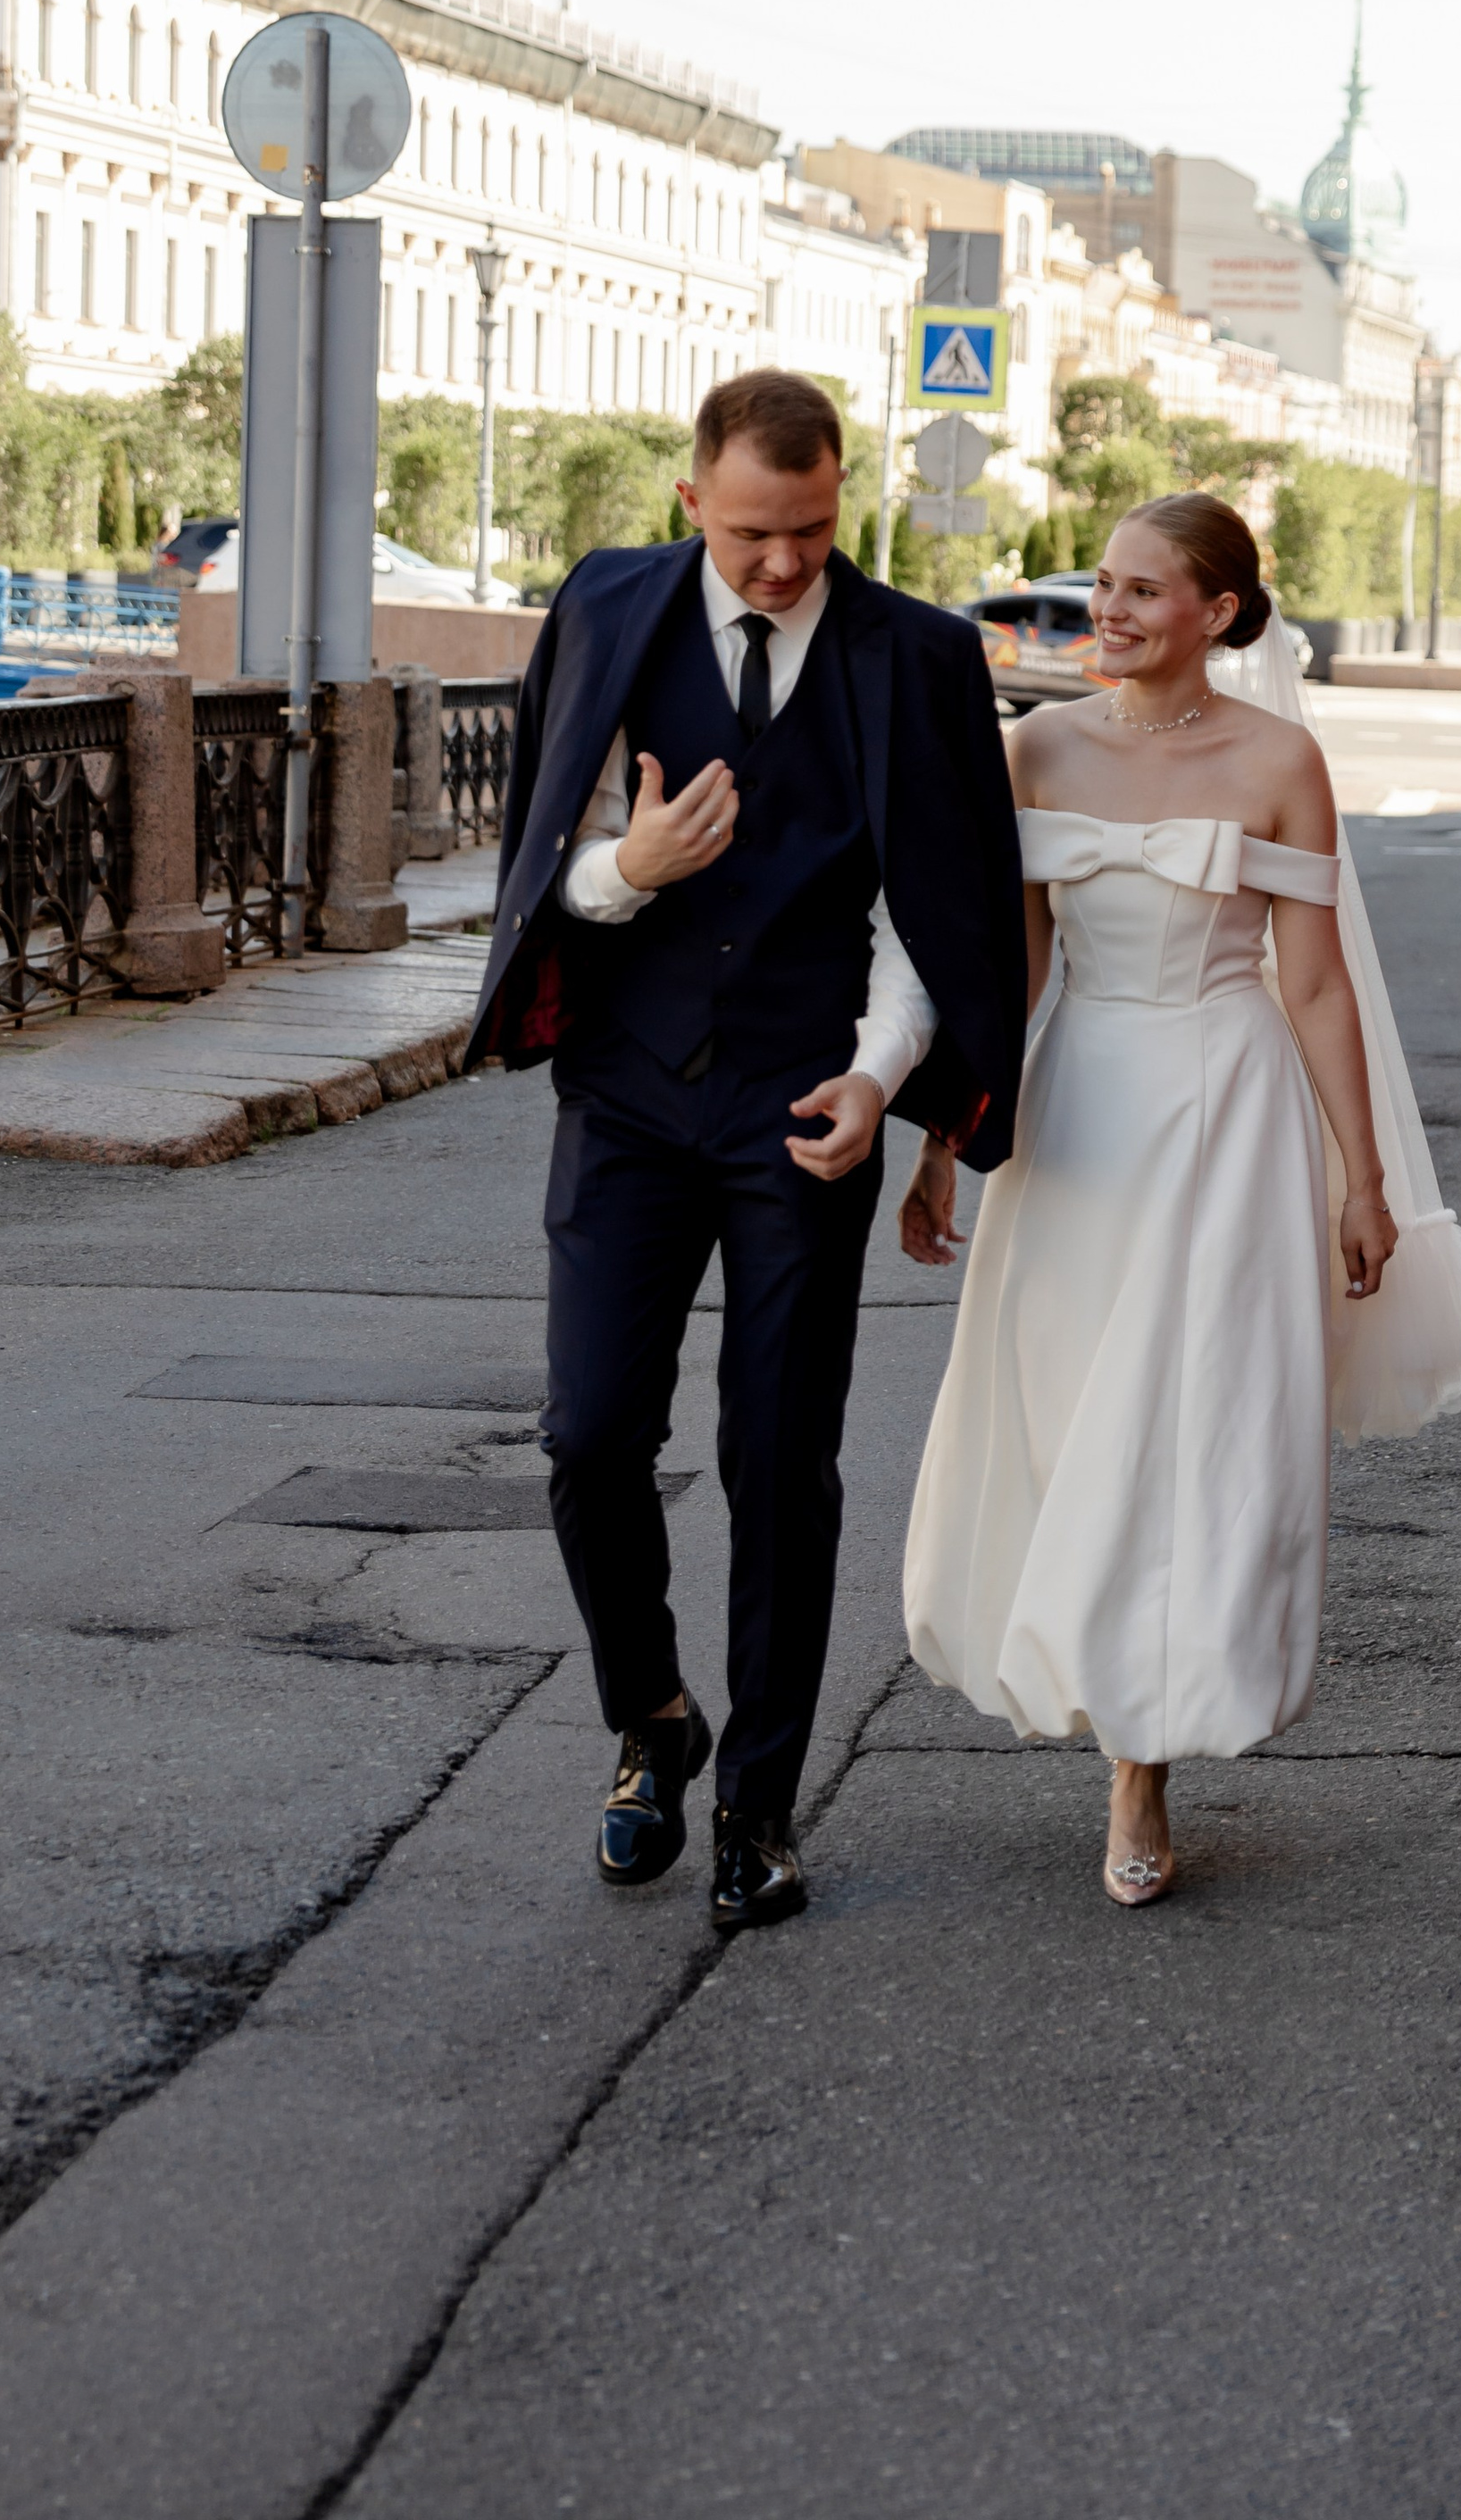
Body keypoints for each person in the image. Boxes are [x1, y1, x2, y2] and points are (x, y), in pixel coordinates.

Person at [466, 371, 1025, 1921]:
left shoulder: (917, 654)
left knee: (781, 1461)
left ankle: (761, 1809)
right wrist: (626, 872)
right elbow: (540, 849)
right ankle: (654, 1723)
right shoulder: (606, 606)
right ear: (691, 499)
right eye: (758, 531)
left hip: (804, 1103)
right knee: (588, 1437)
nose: (787, 563)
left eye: (817, 528)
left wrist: (881, 1079)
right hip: (630, 1096)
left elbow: (939, 908)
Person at [898, 493, 1461, 1907]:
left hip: (1229, 1112)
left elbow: (1312, 982)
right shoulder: (1036, 746)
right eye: (1102, 586)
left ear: (1220, 614)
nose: (1106, 612)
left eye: (1142, 594)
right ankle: (1097, 1680)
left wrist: (1367, 1180)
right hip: (1078, 1109)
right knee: (1064, 1409)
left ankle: (1144, 1763)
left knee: (1188, 1424)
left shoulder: (1282, 759)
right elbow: (1015, 967)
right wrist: (948, 1139)